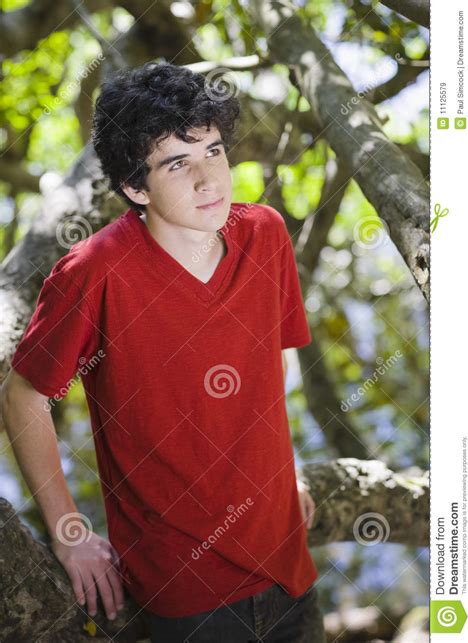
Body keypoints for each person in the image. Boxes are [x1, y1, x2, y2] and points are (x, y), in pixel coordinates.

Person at [1, 61, 326, 642]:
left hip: (289, 558)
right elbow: (22, 395)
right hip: (187, 591)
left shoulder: (267, 234)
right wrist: (69, 533)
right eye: (178, 163)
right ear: (135, 186)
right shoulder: (93, 272)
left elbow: (264, 366)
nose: (209, 180)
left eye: (215, 151)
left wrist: (285, 471)